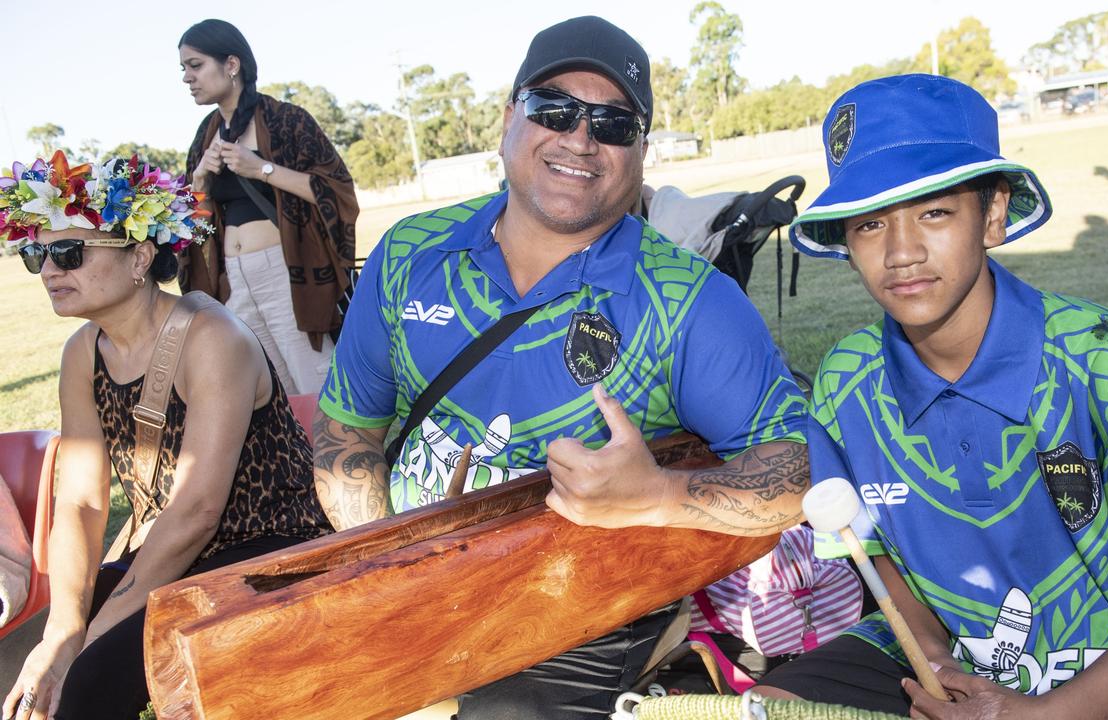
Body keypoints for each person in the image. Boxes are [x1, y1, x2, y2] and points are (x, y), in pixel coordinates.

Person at [313, 15, 808, 720]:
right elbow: (347, 431)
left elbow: (796, 468)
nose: (580, 138)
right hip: (404, 581)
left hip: (581, 614)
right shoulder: (409, 254)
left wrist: (662, 494)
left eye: (612, 124)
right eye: (555, 109)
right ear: (508, 118)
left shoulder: (690, 302)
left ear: (640, 152)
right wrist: (393, 563)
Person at [754, 74, 1108, 718]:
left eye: (935, 212)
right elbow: (878, 552)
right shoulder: (845, 384)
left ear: (994, 214)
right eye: (869, 225)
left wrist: (1035, 716)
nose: (901, 251)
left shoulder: (1106, 357)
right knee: (774, 706)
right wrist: (930, 655)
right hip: (962, 657)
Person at [0, 151, 332, 720]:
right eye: (37, 255)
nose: (51, 270)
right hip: (167, 551)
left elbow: (198, 510)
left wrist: (86, 640)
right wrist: (62, 627)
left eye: (69, 252)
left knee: (84, 689)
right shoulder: (83, 351)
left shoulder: (212, 339)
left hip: (266, 552)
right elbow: (79, 501)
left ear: (141, 259)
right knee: (13, 665)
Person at [179, 19, 359, 396]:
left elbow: (335, 189)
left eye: (195, 66)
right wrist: (198, 180)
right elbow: (192, 224)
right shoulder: (205, 134)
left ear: (232, 65)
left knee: (315, 384)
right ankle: (296, 457)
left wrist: (260, 168)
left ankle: (337, 455)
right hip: (234, 281)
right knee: (272, 393)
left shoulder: (286, 121)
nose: (187, 78)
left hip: (286, 273)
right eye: (184, 69)